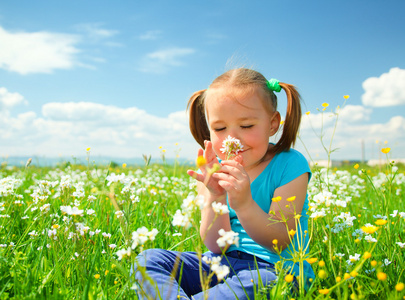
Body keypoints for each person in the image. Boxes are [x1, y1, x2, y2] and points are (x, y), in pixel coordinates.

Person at [134, 68, 314, 299]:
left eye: (246, 126)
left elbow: (278, 240)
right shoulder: (213, 168)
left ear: (272, 124)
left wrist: (244, 203)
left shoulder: (290, 164)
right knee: (148, 260)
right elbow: (215, 245)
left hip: (276, 270)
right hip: (220, 263)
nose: (232, 139)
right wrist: (216, 195)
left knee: (263, 282)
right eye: (220, 128)